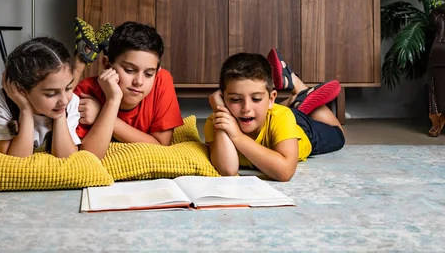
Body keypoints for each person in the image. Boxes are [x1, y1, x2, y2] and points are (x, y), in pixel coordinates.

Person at [205, 49, 344, 181]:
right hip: (268, 114)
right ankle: (296, 99)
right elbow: (228, 170)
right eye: (235, 99)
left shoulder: (282, 117)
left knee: (339, 135)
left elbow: (285, 172)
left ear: (271, 99)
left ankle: (299, 87)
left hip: (302, 129)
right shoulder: (216, 120)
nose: (246, 108)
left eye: (256, 99)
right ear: (223, 99)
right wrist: (220, 111)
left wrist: (238, 136)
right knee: (272, 112)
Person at [71, 20, 184, 159]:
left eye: (149, 74)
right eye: (130, 70)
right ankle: (82, 58)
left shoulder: (161, 80)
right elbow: (90, 155)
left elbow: (161, 147)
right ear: (107, 65)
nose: (139, 82)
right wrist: (112, 100)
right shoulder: (87, 91)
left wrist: (102, 113)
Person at [0, 37, 82, 158]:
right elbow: (15, 160)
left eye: (68, 88)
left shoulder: (71, 101)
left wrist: (60, 116)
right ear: (22, 90)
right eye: (51, 94)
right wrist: (25, 110)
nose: (64, 100)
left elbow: (67, 158)